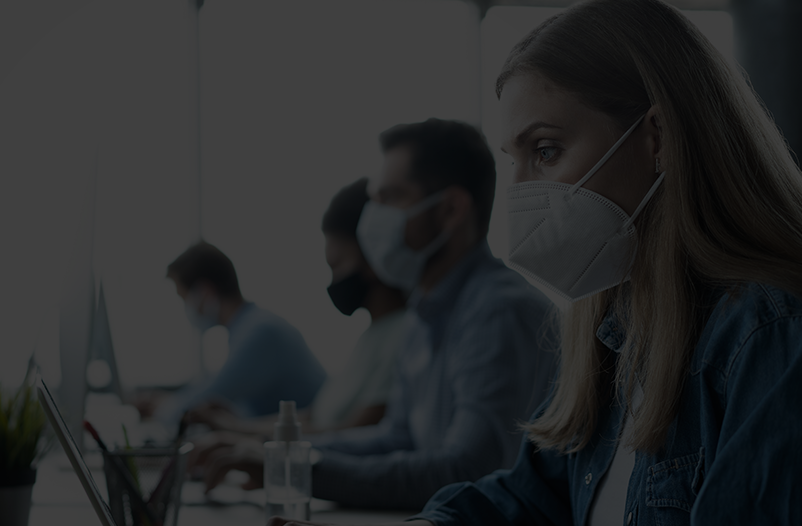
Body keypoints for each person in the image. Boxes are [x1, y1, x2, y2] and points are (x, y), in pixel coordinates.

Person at [270, 0, 802, 525]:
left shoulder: (773, 335)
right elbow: (531, 497)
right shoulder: (614, 329)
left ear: (658, 137)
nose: (519, 193)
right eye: (515, 159)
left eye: (546, 151)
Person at [203, 119, 558, 511]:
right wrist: (276, 451)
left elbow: (466, 470)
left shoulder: (497, 311)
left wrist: (295, 466)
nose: (372, 218)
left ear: (451, 209)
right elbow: (395, 438)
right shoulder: (424, 313)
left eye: (390, 198)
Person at [187, 178, 410, 440]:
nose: (333, 281)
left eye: (337, 265)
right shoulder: (370, 337)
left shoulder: (402, 334)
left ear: (374, 257)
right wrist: (234, 427)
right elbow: (312, 418)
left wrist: (241, 435)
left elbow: (356, 434)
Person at [150, 242, 327, 426]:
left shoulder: (261, 332)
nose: (186, 309)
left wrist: (164, 410)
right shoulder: (247, 327)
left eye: (184, 299)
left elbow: (212, 393)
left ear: (205, 292)